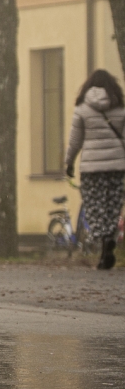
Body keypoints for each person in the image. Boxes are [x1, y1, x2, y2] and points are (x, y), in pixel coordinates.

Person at [64, 69, 125, 271]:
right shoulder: (119, 107)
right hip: (117, 167)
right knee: (113, 206)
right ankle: (110, 240)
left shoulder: (82, 109)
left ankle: (103, 240)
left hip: (91, 168)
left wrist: (69, 162)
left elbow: (75, 141)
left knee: (94, 206)